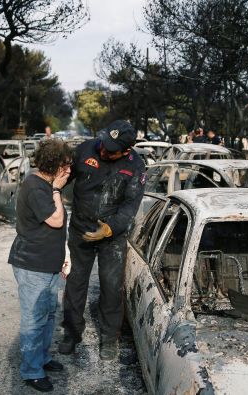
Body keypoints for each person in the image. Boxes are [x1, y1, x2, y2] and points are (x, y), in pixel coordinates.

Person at [59, 120, 146, 360]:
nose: (103, 150)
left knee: (111, 288)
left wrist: (108, 229)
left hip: (112, 238)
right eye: (104, 143)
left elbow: (130, 207)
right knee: (75, 284)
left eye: (111, 149)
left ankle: (109, 339)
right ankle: (72, 334)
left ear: (126, 150)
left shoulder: (136, 166)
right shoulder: (85, 150)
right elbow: (62, 179)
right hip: (80, 232)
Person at [8, 139, 73, 392]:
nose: (69, 171)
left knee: (48, 316)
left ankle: (42, 359)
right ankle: (31, 371)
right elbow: (56, 221)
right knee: (34, 320)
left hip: (48, 264)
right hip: (32, 264)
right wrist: (57, 190)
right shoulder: (37, 187)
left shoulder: (45, 183)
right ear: (53, 165)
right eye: (65, 166)